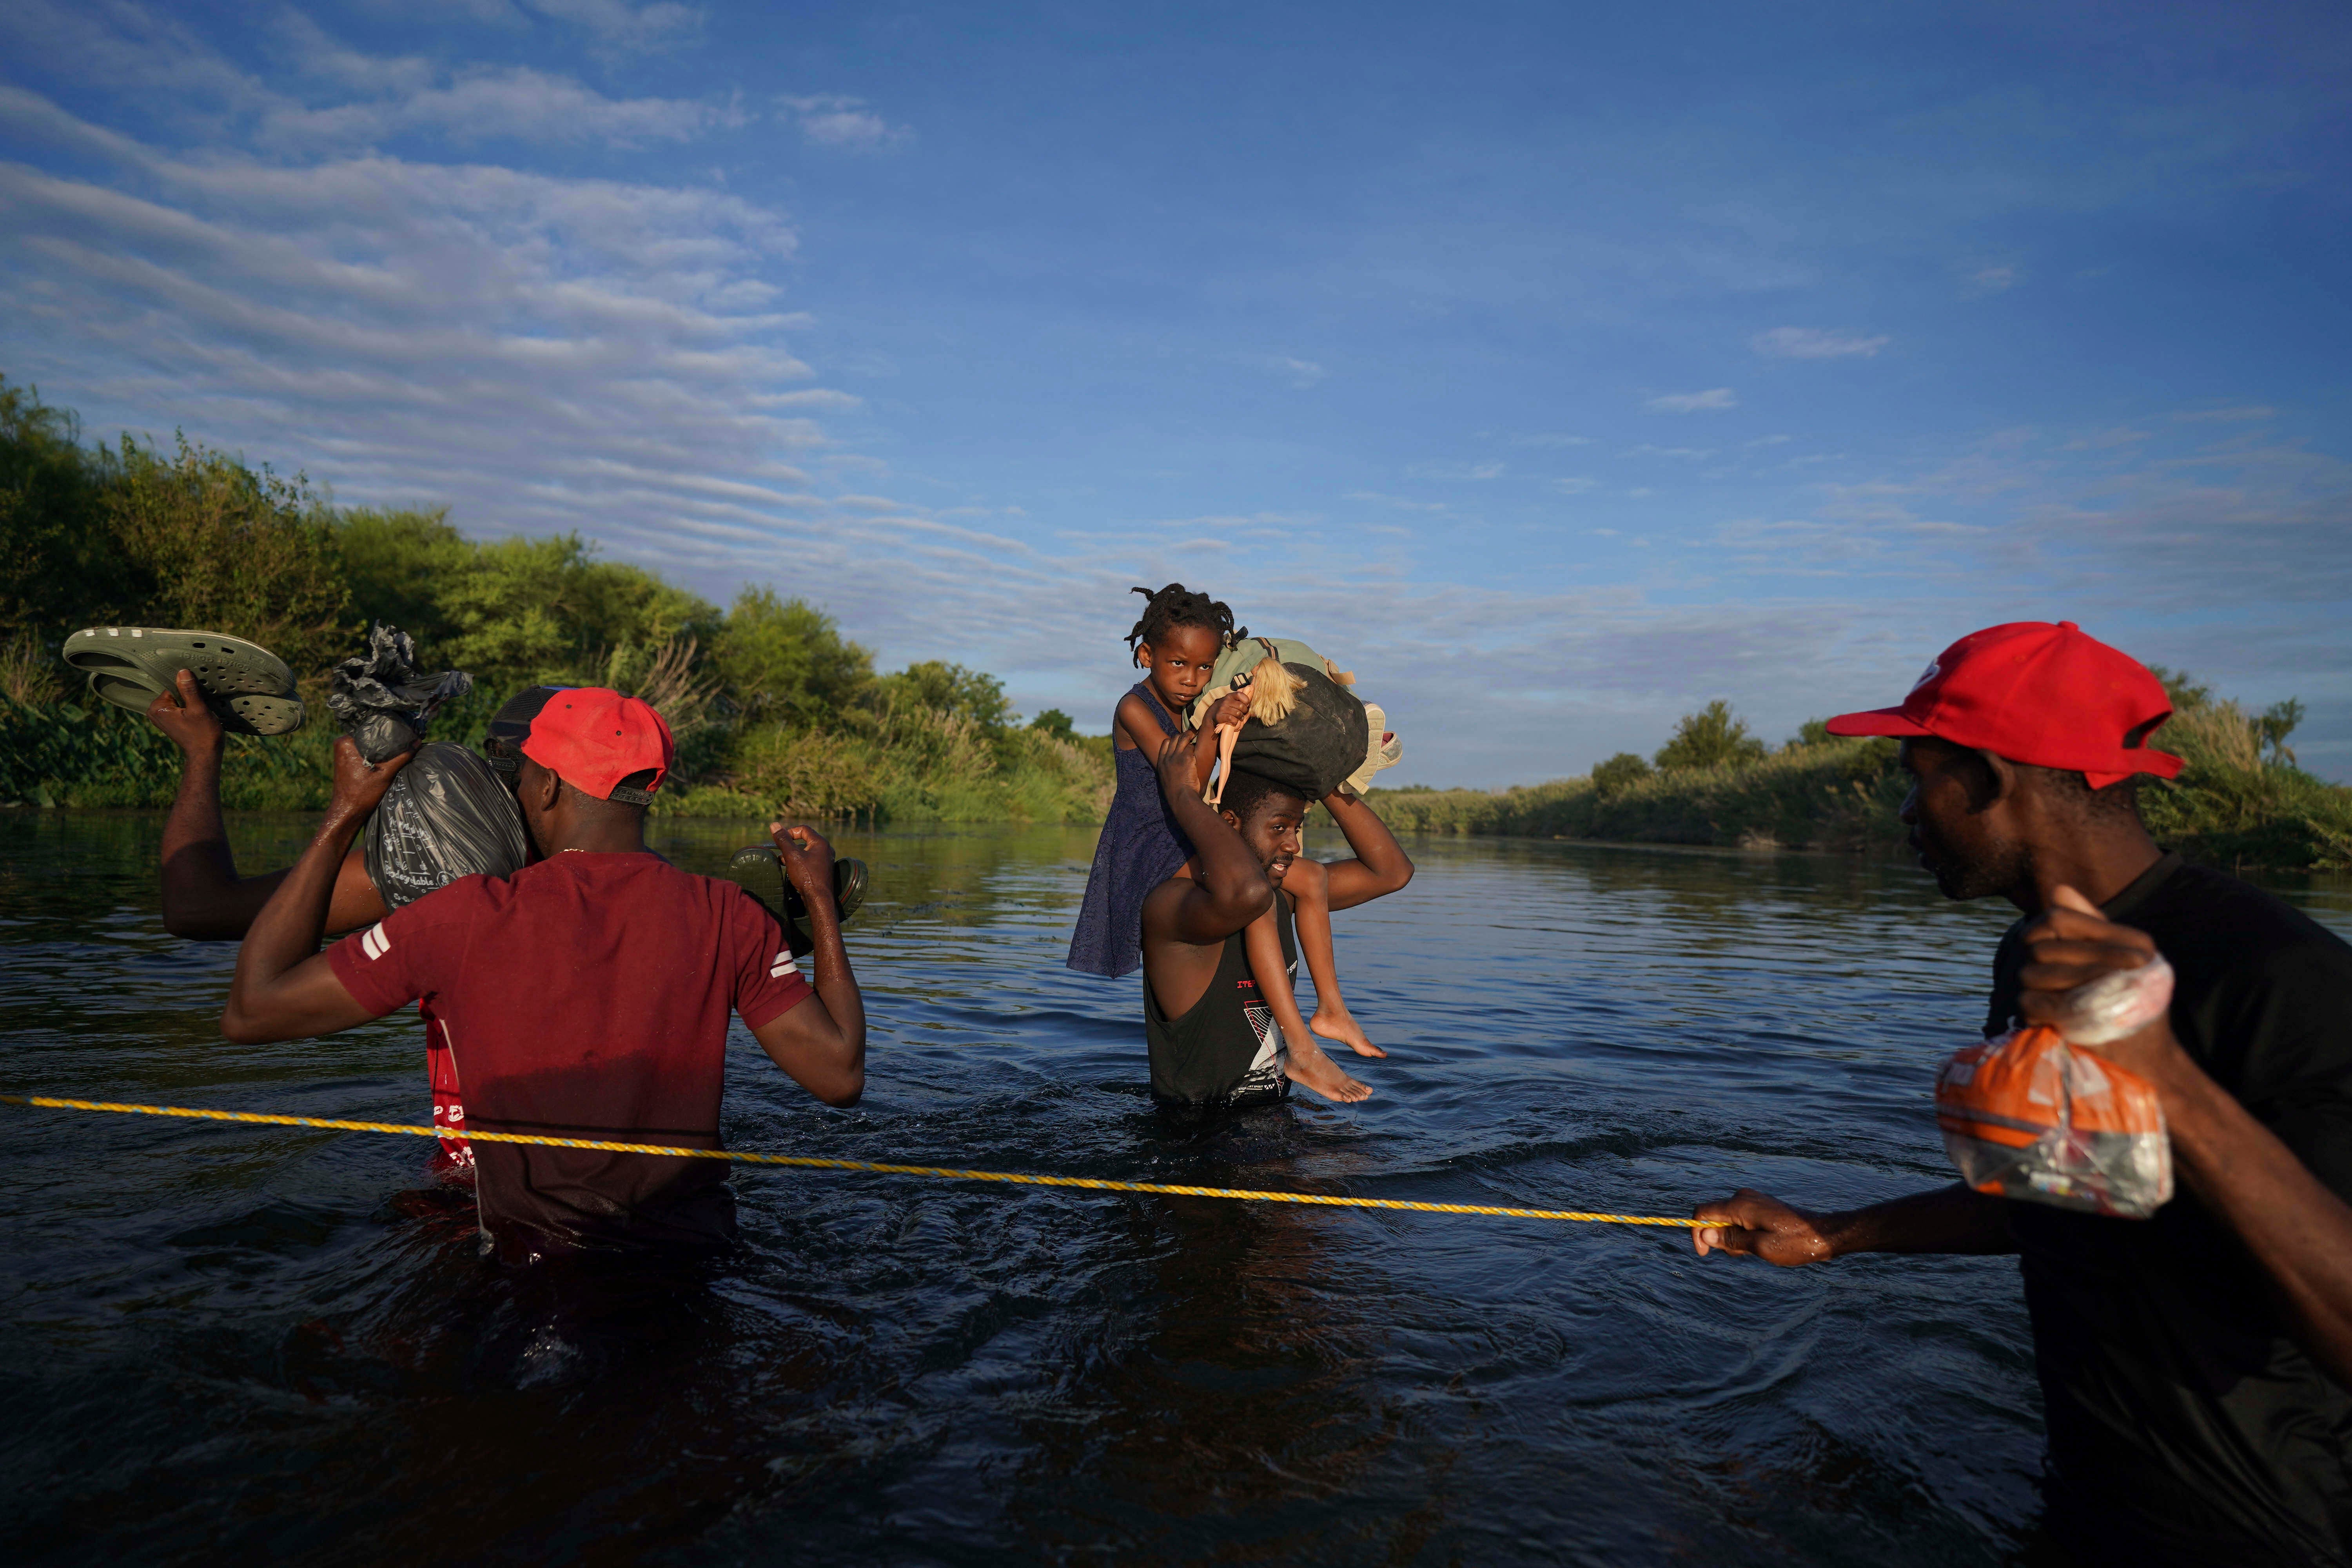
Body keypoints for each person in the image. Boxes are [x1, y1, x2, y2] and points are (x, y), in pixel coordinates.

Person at [1688, 621, 2352, 1568]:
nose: (1908, 815)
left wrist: (2167, 1076)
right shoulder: (2035, 951)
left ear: (1993, 780)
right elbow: (2077, 1192)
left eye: (1919, 780)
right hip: (2087, 1504)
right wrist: (1835, 1232)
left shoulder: (2282, 976)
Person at [219, 688, 868, 1262]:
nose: (518, 791)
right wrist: (818, 901)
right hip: (695, 1269)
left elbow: (253, 1009)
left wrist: (344, 815)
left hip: (534, 1270)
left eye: (524, 775)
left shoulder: (466, 915)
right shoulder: (728, 915)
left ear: (550, 786)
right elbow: (839, 1076)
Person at [1068, 584, 1391, 1063]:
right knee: (1259, 893)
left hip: (1187, 835)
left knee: (1313, 877)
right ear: (1145, 655)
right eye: (1178, 664)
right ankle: (1300, 1045)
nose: (1191, 679)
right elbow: (1187, 779)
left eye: (1204, 667)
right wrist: (1214, 720)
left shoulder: (1193, 709)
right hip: (1152, 846)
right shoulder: (1134, 708)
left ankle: (1332, 1008)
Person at [1138, 725, 1412, 1112]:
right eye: (1279, 828)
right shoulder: (1172, 908)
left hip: (1273, 1126)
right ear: (1229, 823)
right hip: (1197, 1145)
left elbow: (1391, 872)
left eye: (1298, 827)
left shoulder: (1285, 894)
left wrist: (1324, 779)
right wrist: (1182, 794)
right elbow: (1247, 893)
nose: (1294, 844)